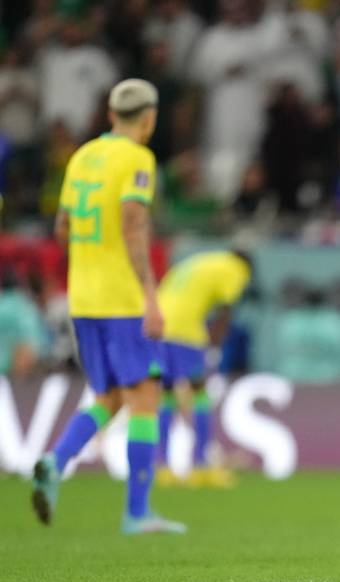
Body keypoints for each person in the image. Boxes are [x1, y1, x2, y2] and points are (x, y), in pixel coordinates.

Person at [31, 79, 186, 534]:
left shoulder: (81, 156)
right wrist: (151, 296)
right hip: (122, 299)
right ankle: (137, 513)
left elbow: (62, 227)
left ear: (111, 115)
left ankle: (55, 461)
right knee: (145, 397)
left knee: (110, 396)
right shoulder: (137, 158)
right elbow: (133, 224)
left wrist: (89, 261)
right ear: (149, 118)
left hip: (84, 299)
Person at [155, 249, 254, 489]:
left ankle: (163, 468)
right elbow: (226, 309)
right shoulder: (236, 269)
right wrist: (215, 346)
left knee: (166, 394)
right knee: (199, 393)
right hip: (185, 330)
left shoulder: (203, 261)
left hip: (158, 325)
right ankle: (201, 467)